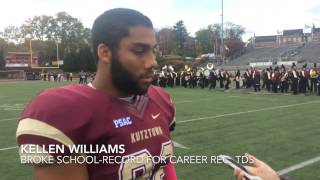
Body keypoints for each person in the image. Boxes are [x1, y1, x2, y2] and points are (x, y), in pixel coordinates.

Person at [16, 8, 177, 180]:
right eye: (139, 51)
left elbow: (164, 166)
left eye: (153, 50)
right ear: (105, 52)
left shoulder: (161, 99)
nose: (152, 62)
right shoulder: (65, 112)